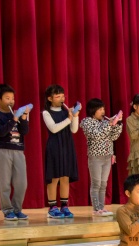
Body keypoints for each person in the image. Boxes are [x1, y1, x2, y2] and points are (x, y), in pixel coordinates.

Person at [0, 83, 30, 221]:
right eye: (7, 98)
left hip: (18, 151)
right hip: (2, 151)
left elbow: (24, 131)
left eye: (12, 98)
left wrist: (23, 117)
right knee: (5, 182)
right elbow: (1, 132)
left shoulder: (16, 114)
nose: (11, 101)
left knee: (21, 183)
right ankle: (7, 210)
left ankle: (17, 209)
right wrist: (14, 120)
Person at [80, 98, 123, 216]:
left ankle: (102, 208)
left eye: (103, 108)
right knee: (96, 183)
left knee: (103, 184)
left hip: (107, 156)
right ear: (92, 110)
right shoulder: (87, 122)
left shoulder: (105, 121)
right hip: (95, 157)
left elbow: (114, 137)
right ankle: (96, 209)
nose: (103, 111)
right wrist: (109, 124)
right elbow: (96, 135)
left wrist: (118, 124)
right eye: (100, 109)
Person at [42, 84, 79, 218]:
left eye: (63, 96)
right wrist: (68, 119)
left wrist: (74, 116)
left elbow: (74, 130)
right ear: (50, 98)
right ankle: (52, 207)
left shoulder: (66, 112)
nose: (62, 98)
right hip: (54, 146)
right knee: (54, 177)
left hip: (67, 146)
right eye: (58, 96)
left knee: (65, 177)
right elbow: (54, 128)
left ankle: (64, 206)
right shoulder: (46, 112)